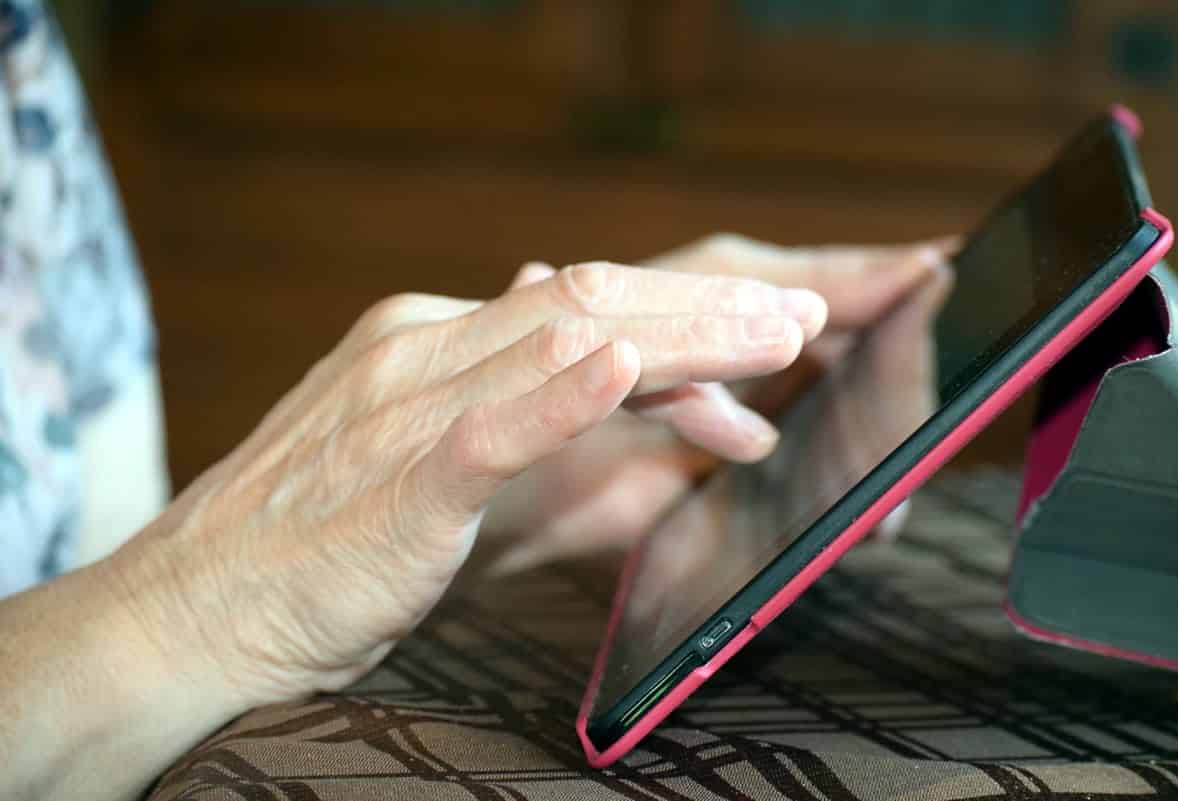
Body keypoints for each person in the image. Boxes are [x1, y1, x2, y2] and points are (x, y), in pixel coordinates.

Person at [0, 2, 954, 799]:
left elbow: (92, 561)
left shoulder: (21, 55)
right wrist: (194, 606)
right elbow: (133, 601)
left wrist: (503, 472)